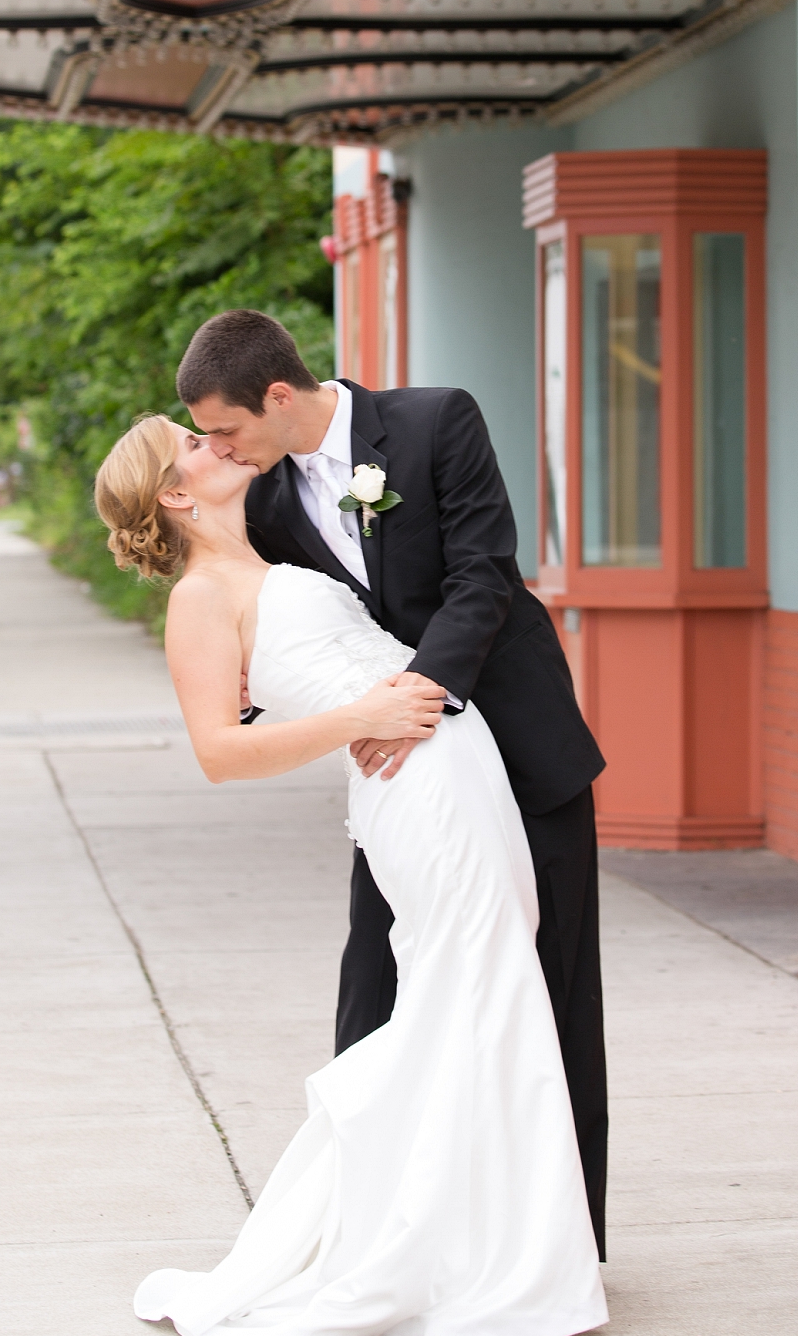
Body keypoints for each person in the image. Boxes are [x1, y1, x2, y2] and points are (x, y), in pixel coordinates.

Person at [95, 412, 607, 1336]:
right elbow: (220, 754)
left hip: (463, 769)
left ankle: (479, 1244)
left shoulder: (275, 548)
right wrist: (360, 715)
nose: (220, 448)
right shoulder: (201, 597)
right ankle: (469, 1256)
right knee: (478, 992)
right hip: (413, 794)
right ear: (175, 494)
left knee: (489, 991)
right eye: (197, 447)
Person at [177, 310, 608, 1257]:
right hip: (404, 784)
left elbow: (484, 576)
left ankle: (557, 1238)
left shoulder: (435, 422)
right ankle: (376, 1226)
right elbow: (286, 625)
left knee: (547, 989)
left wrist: (421, 692)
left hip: (518, 748)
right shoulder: (270, 501)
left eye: (227, 429)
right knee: (375, 990)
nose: (217, 448)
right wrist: (254, 692)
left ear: (279, 396)